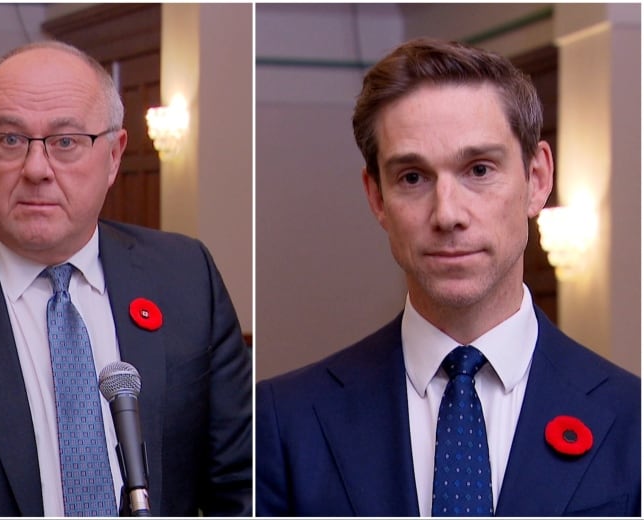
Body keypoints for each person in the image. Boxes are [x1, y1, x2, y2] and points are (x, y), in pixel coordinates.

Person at [256, 38, 640, 517]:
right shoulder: (286, 420)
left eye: (479, 169)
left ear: (537, 179)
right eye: (413, 178)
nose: (447, 214)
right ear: (377, 198)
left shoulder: (632, 418)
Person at [0, 41, 252, 517]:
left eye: (66, 142)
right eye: (10, 140)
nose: (35, 169)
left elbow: (242, 482)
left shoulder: (186, 276)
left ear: (114, 156)